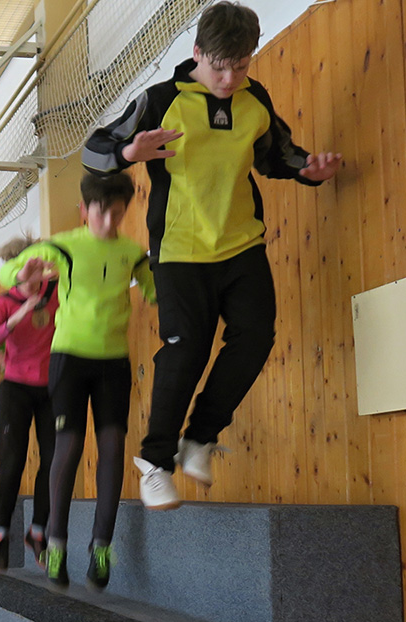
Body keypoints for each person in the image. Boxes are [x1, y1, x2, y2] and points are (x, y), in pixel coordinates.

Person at [83, 1, 341, 510]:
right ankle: (155, 463)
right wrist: (129, 153)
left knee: (256, 337)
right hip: (180, 249)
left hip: (240, 242)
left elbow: (276, 154)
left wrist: (307, 169)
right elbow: (95, 149)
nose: (229, 79)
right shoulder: (162, 100)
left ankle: (199, 438)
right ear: (198, 52)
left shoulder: (253, 98)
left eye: (240, 67)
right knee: (187, 350)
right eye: (220, 67)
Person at [1, 174, 155, 589]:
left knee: (113, 448)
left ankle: (101, 547)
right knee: (67, 448)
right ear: (85, 210)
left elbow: (155, 292)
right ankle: (55, 544)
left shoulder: (131, 252)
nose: (108, 222)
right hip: (69, 358)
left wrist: (165, 268)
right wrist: (23, 271)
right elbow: (10, 273)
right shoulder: (64, 245)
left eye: (118, 214)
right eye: (101, 213)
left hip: (113, 362)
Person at [0, 247, 58, 574]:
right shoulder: (3, 302)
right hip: (15, 388)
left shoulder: (55, 290)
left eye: (37, 265)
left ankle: (37, 532)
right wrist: (17, 316)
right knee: (12, 461)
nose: (33, 272)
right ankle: (0, 535)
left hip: (50, 388)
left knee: (54, 461)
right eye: (26, 267)